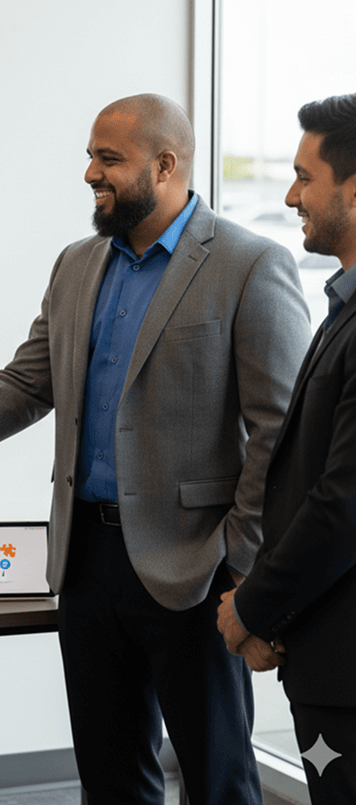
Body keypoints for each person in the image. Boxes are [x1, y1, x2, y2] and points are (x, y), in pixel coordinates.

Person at [0, 93, 311, 804]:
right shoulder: (77, 265)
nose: (89, 173)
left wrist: (240, 558)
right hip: (85, 562)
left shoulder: (249, 264)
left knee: (219, 782)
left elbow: (280, 432)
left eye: (108, 159)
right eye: (89, 156)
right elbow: (26, 384)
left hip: (196, 569)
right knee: (110, 780)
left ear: (165, 165)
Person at [217, 92, 356, 804]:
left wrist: (253, 607)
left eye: (305, 177)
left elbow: (341, 505)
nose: (290, 196)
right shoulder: (341, 308)